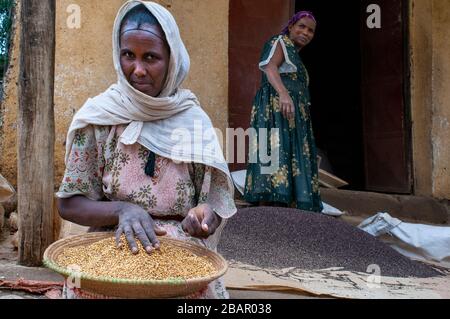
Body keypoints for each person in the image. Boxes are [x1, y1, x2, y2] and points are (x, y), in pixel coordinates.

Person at [56, 0, 236, 299]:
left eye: (151, 57)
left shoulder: (194, 122)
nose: (137, 70)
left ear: (172, 59)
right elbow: (69, 204)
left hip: (181, 253)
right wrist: (123, 210)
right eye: (128, 55)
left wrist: (204, 217)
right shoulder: (100, 117)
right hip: (110, 246)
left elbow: (215, 206)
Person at [243, 11, 323, 212]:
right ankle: (268, 203)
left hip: (292, 114)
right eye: (301, 26)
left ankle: (285, 201)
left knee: (288, 150)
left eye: (311, 31)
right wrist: (284, 94)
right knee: (274, 147)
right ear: (291, 27)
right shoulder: (280, 41)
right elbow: (270, 67)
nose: (305, 32)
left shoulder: (297, 58)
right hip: (276, 108)